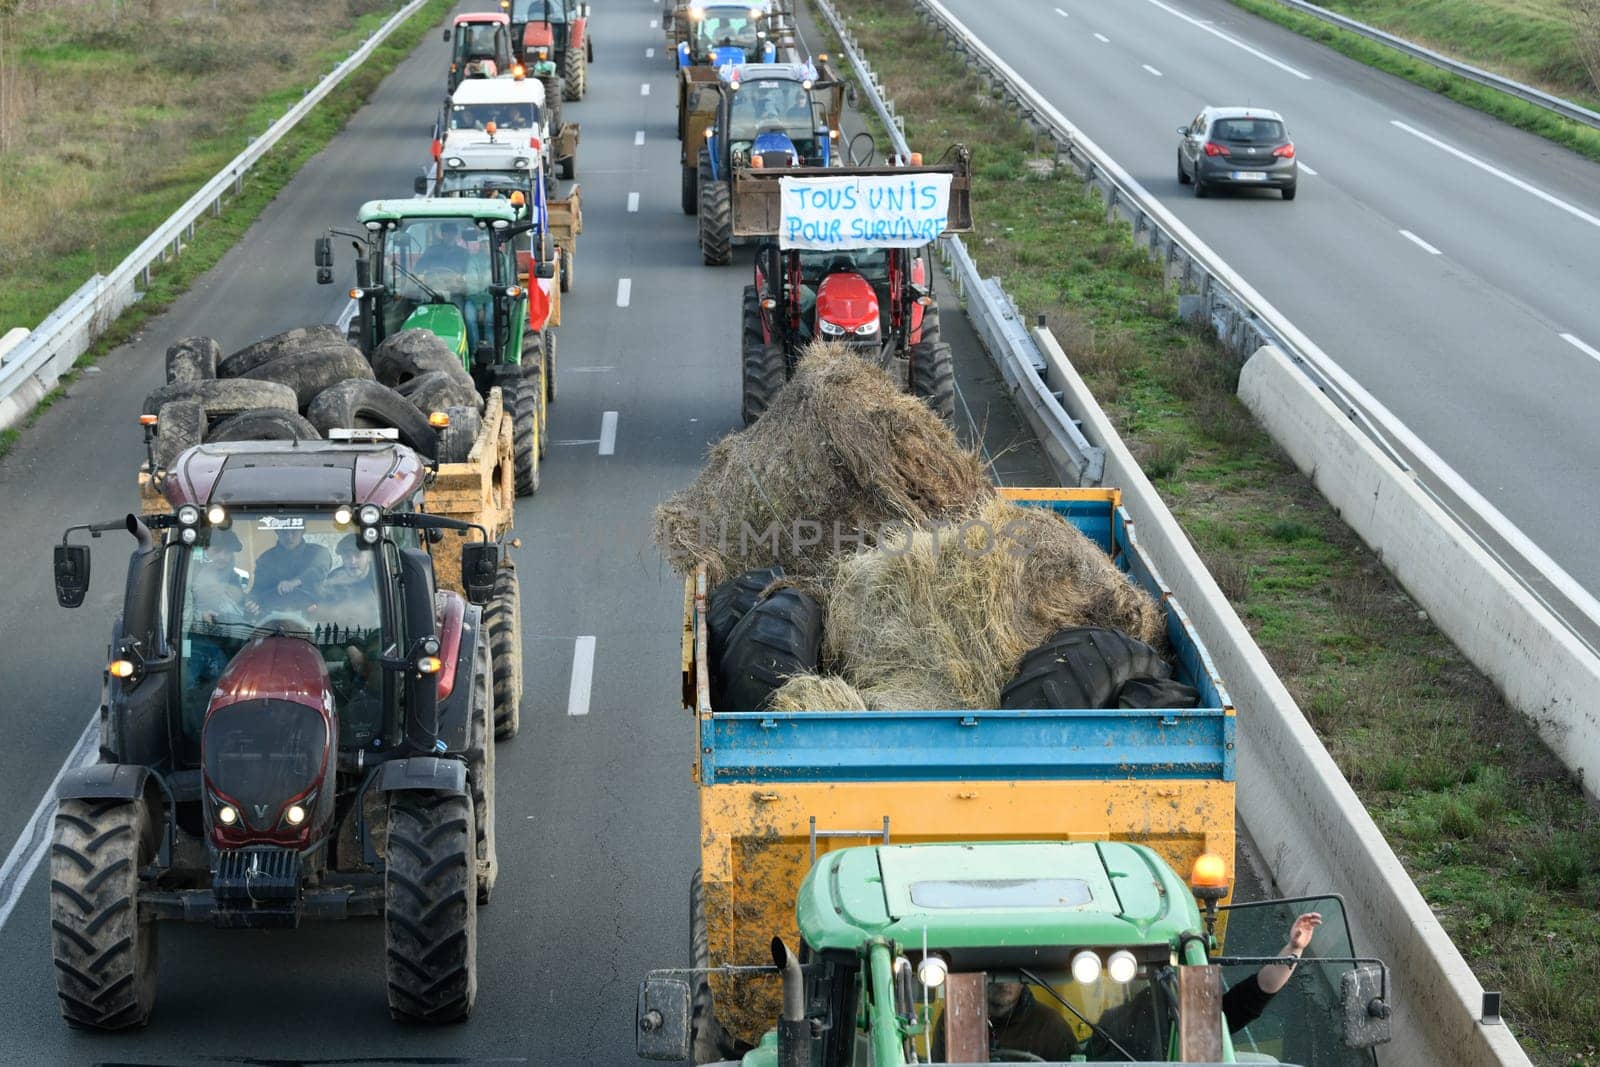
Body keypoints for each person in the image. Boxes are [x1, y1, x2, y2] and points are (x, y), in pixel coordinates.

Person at [1085, 912, 1324, 1061]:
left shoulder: (1194, 1029)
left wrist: (1294, 948)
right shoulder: (1114, 1034)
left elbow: (1256, 994)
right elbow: (1254, 996)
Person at [182, 528, 250, 738]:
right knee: (187, 685)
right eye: (218, 550)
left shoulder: (235, 578)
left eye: (228, 552)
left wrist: (251, 607)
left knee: (231, 686)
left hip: (228, 643)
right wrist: (199, 615)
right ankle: (195, 736)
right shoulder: (188, 574)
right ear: (207, 550)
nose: (223, 556)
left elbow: (239, 611)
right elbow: (175, 610)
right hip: (190, 641)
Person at [931, 976, 1079, 1063]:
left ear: (1025, 979)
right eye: (996, 972)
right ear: (981, 974)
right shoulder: (955, 1021)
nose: (1004, 982)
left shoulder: (1051, 1025)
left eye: (1013, 974)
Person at [248, 526, 331, 615]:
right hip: (273, 617)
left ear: (303, 531)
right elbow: (257, 589)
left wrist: (295, 582)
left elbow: (319, 570)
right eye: (284, 532)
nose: (289, 536)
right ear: (276, 531)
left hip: (313, 614)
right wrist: (251, 603)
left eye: (294, 531)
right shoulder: (265, 559)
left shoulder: (318, 552)